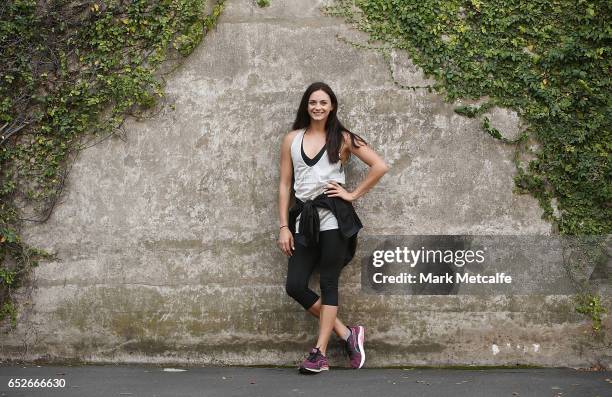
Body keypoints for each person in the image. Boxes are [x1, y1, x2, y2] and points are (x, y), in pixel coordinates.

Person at [277, 82, 390, 374]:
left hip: (334, 218)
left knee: (328, 282)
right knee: (295, 285)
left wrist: (352, 194)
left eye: (323, 103)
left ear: (332, 107)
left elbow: (379, 166)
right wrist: (283, 226)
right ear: (306, 105)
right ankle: (347, 334)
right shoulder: (291, 139)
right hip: (303, 219)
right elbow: (285, 184)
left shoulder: (342, 138)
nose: (317, 107)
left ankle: (320, 354)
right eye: (312, 102)